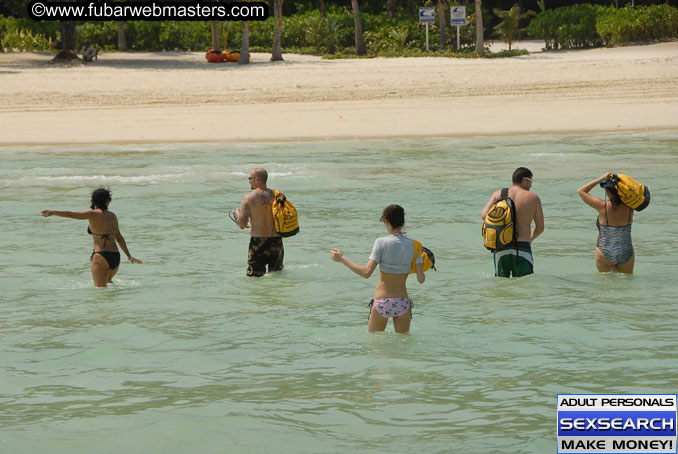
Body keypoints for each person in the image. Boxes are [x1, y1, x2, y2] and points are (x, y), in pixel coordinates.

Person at [330, 205, 425, 334]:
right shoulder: (415, 245)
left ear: (386, 221)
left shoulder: (381, 242)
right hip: (403, 303)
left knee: (375, 346)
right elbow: (421, 279)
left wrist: (342, 259)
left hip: (382, 302)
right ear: (403, 221)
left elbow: (366, 273)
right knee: (403, 346)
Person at [40, 187, 142, 287]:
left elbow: (71, 214)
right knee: (108, 283)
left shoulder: (92, 214)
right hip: (115, 257)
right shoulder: (113, 216)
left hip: (101, 256)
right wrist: (129, 256)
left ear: (94, 201)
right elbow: (119, 238)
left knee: (100, 292)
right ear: (107, 201)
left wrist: (53, 212)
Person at [481, 167, 544, 278]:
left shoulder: (499, 194)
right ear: (525, 180)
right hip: (522, 247)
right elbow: (540, 227)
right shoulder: (533, 198)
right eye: (531, 182)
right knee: (524, 285)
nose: (531, 185)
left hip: (501, 246)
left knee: (501, 284)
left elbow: (484, 216)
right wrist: (530, 239)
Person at [577, 173, 635, 274]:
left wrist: (600, 179)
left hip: (605, 251)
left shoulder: (602, 206)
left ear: (608, 191)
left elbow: (581, 191)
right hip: (626, 251)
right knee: (626, 285)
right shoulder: (630, 206)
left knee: (605, 286)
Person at [234, 168, 284, 277]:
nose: (249, 181)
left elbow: (242, 225)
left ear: (257, 180)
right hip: (277, 241)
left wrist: (237, 214)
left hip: (258, 242)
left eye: (249, 178)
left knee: (254, 278)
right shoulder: (278, 195)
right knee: (277, 276)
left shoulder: (248, 198)